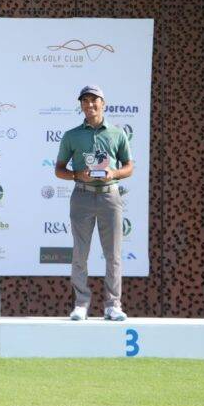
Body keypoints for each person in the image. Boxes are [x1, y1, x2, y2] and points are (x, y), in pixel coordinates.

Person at [55, 85, 134, 321]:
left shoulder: (117, 134)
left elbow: (129, 167)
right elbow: (59, 170)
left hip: (110, 196)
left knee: (113, 255)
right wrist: (77, 175)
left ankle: (113, 305)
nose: (89, 104)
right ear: (81, 105)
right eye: (85, 101)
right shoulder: (71, 135)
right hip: (82, 196)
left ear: (103, 103)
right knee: (80, 254)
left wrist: (114, 173)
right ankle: (81, 304)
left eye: (94, 100)